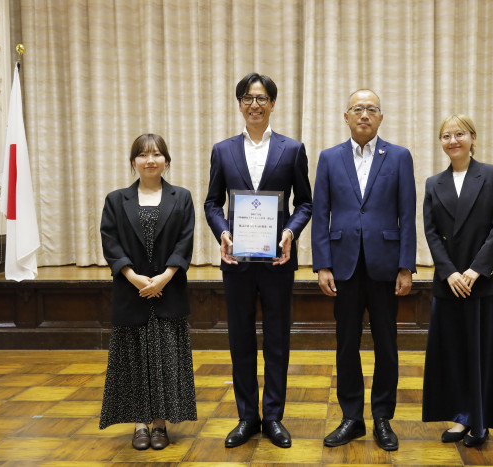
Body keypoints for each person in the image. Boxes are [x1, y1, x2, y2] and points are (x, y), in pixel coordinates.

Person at [204, 72, 312, 449]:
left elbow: (305, 203)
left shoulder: (292, 149)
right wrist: (223, 232)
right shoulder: (223, 150)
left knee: (277, 339)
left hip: (277, 260)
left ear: (272, 104)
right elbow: (212, 203)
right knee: (241, 340)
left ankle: (274, 417)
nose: (255, 104)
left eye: (262, 98)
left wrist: (290, 232)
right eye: (248, 98)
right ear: (239, 104)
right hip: (237, 262)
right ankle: (247, 416)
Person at [311, 89, 416, 451]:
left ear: (381, 117)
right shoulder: (329, 158)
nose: (364, 115)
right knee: (346, 345)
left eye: (372, 109)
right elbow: (320, 213)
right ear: (346, 116)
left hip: (386, 265)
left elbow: (407, 214)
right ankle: (351, 418)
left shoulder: (399, 156)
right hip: (343, 265)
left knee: (387, 345)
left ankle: (383, 417)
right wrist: (322, 264)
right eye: (357, 109)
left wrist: (406, 266)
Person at [422, 114, 493, 448]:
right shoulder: (433, 183)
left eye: (460, 134)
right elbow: (431, 232)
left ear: (473, 138)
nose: (453, 141)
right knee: (454, 355)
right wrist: (450, 272)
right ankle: (461, 417)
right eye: (446, 136)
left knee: (485, 354)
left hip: (485, 282)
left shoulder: (492, 175)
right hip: (450, 283)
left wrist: (476, 270)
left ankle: (481, 421)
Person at [99, 133, 197, 450]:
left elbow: (185, 241)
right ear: (133, 162)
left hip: (169, 291)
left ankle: (159, 425)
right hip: (132, 292)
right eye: (143, 155)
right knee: (135, 361)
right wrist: (135, 278)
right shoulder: (116, 200)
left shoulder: (182, 197)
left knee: (165, 360)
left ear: (166, 160)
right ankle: (140, 423)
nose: (150, 160)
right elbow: (110, 243)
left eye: (156, 154)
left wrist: (164, 278)